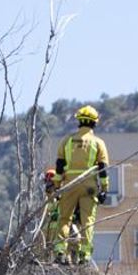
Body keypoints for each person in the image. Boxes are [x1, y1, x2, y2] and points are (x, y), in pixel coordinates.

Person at [53, 105, 110, 264]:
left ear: (79, 121)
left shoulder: (67, 140)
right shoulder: (98, 143)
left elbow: (59, 166)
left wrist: (57, 186)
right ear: (94, 123)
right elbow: (103, 168)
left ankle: (59, 252)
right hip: (89, 185)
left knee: (64, 218)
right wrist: (105, 189)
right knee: (87, 221)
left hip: (69, 184)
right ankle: (84, 256)